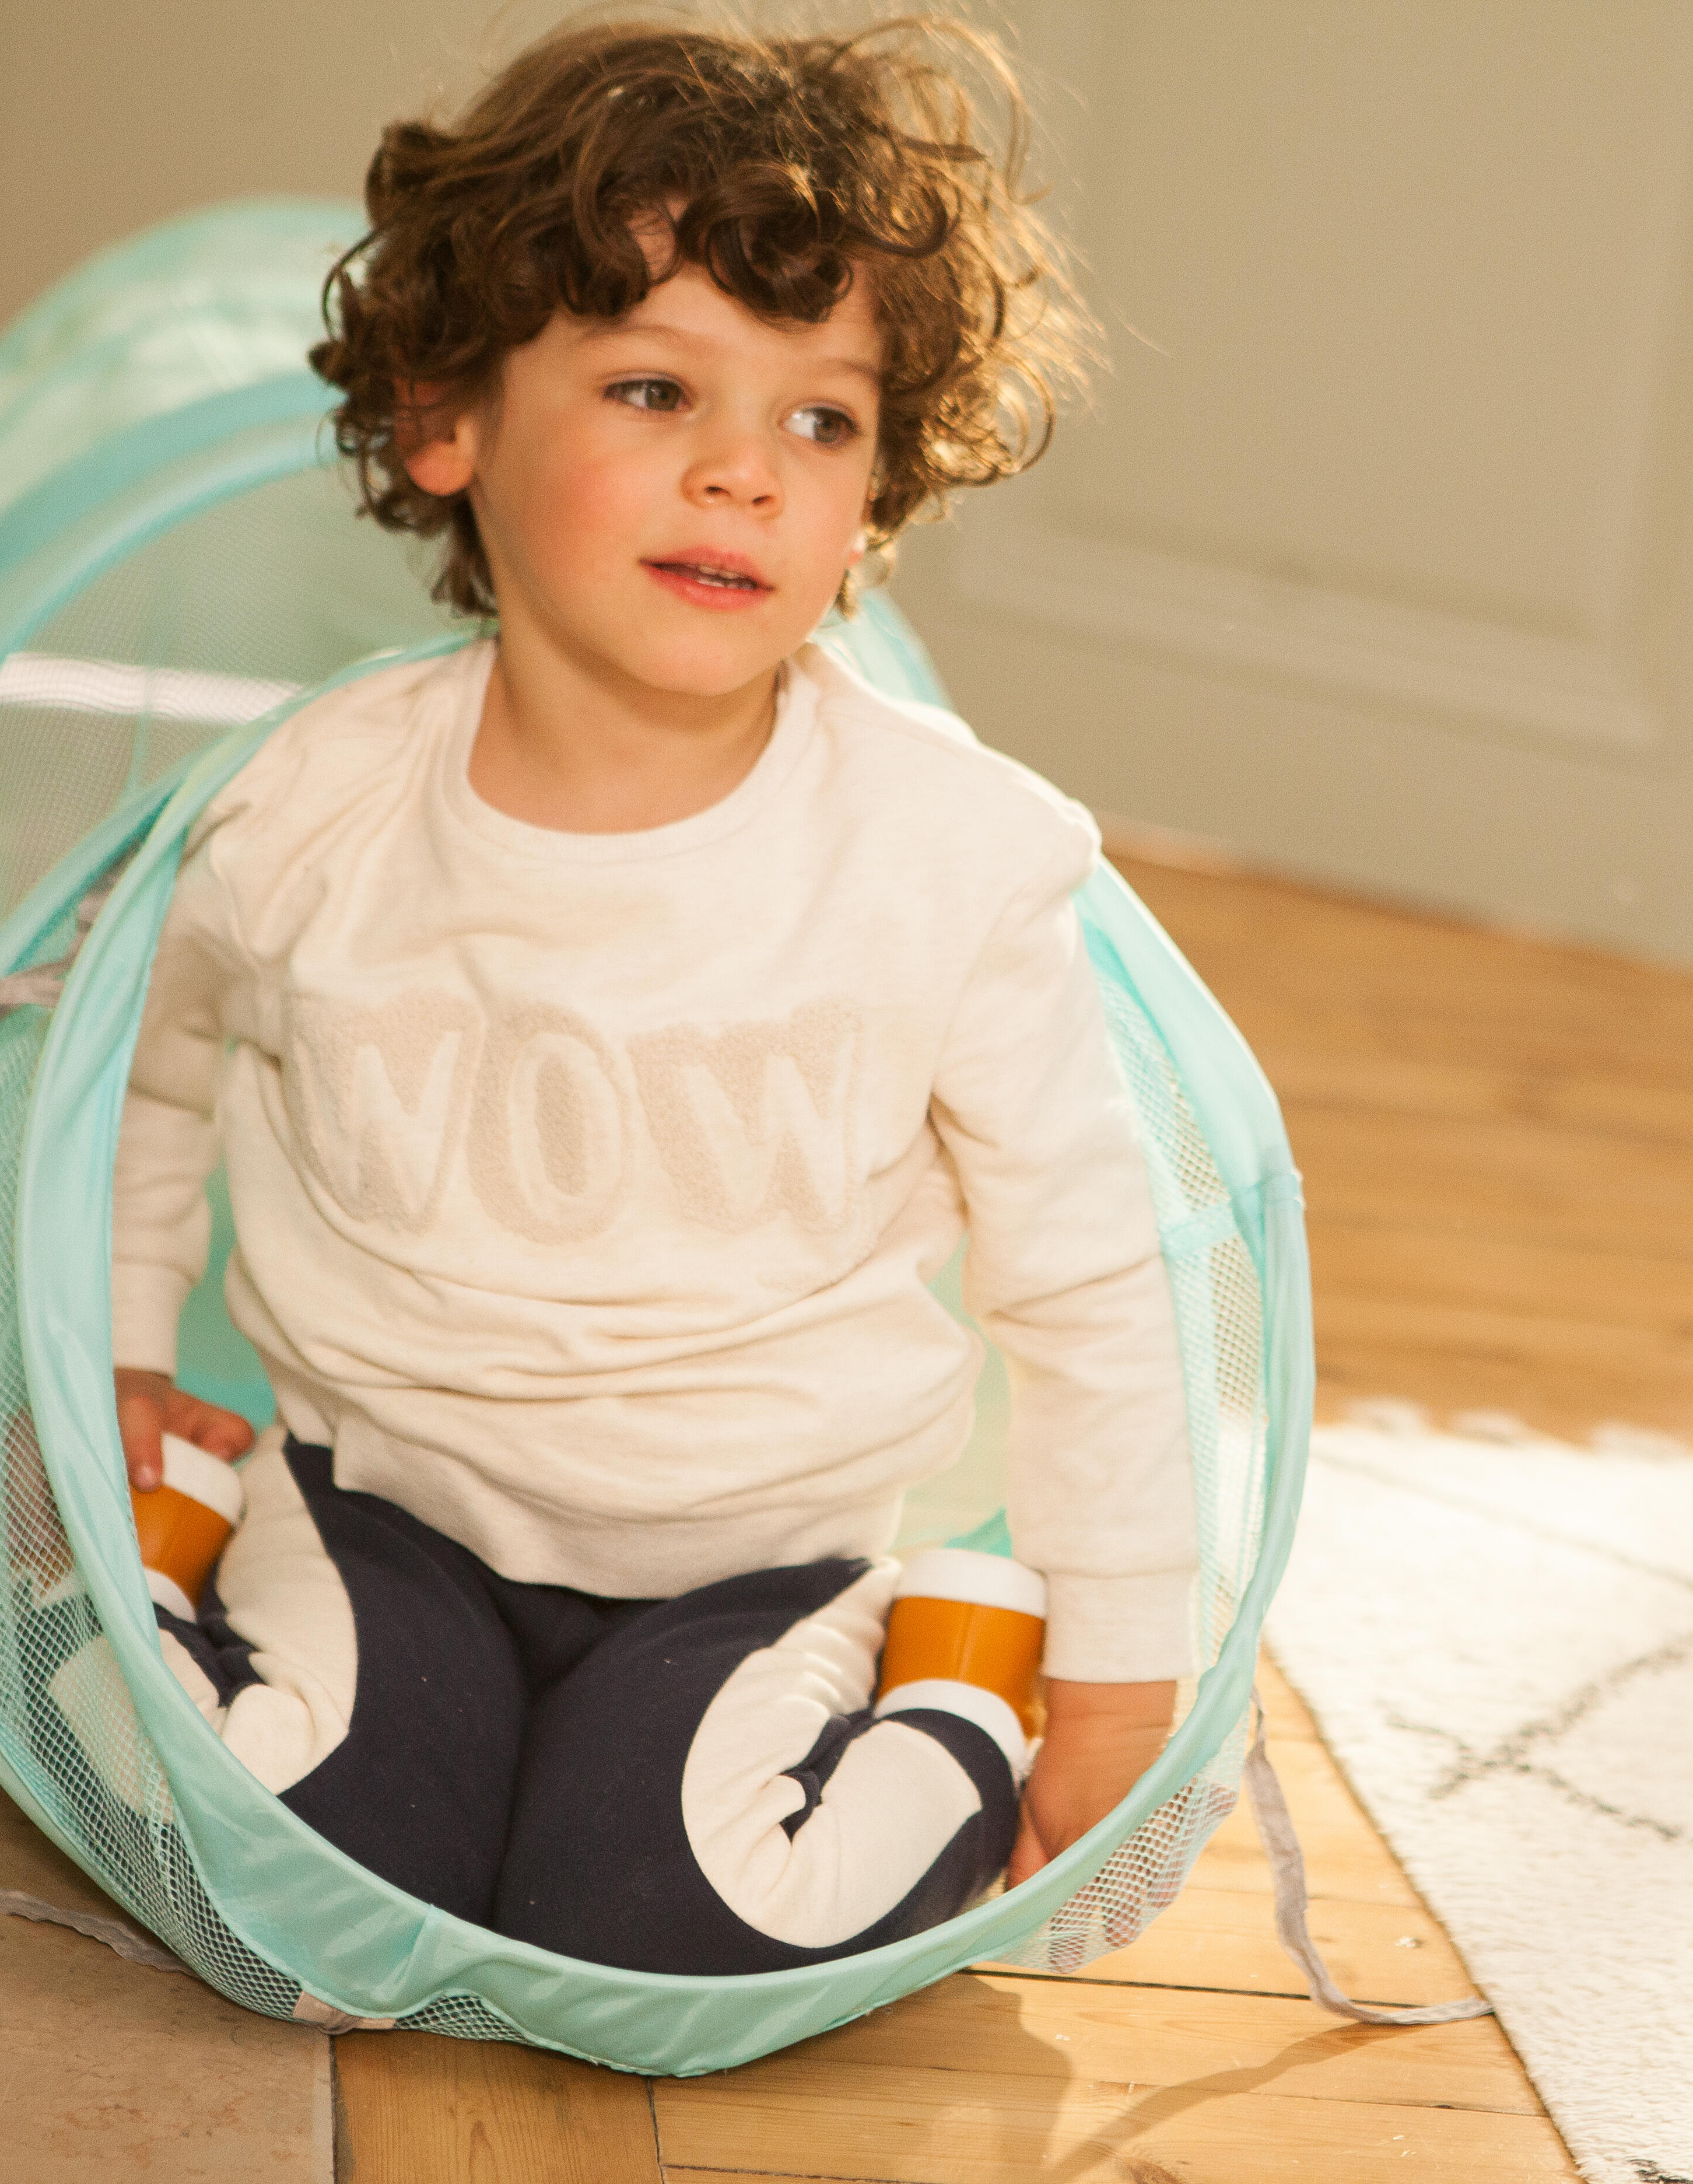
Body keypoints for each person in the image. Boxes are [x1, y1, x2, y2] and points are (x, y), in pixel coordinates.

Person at [101, 15, 1193, 1977]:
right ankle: (183, 1551)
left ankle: (958, 1659)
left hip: (757, 1567)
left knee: (668, 1920)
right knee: (306, 1874)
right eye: (651, 384)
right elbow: (141, 1069)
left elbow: (1094, 1281)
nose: (741, 474)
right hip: (385, 1515)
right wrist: (110, 1344)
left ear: (880, 486)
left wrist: (1118, 1670)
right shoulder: (309, 813)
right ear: (448, 423)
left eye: (821, 420)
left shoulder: (947, 859)